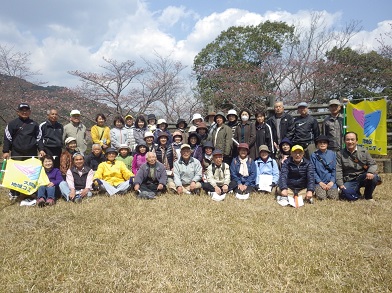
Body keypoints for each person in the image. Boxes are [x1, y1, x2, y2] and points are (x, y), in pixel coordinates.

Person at [336, 132, 379, 201]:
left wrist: (370, 172)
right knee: (344, 196)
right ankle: (357, 192)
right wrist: (340, 184)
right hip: (349, 179)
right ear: (344, 141)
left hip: (363, 177)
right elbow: (338, 170)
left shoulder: (364, 151)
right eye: (348, 139)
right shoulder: (339, 154)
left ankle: (368, 196)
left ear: (356, 141)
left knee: (374, 177)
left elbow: (373, 164)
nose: (350, 142)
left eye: (352, 139)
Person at [310, 135, 339, 200]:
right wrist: (319, 182)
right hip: (319, 182)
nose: (322, 144)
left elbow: (335, 169)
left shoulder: (333, 154)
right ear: (317, 144)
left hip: (330, 181)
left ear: (327, 144)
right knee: (321, 197)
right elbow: (313, 170)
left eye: (324, 142)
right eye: (320, 142)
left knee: (334, 197)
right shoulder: (313, 155)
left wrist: (332, 181)